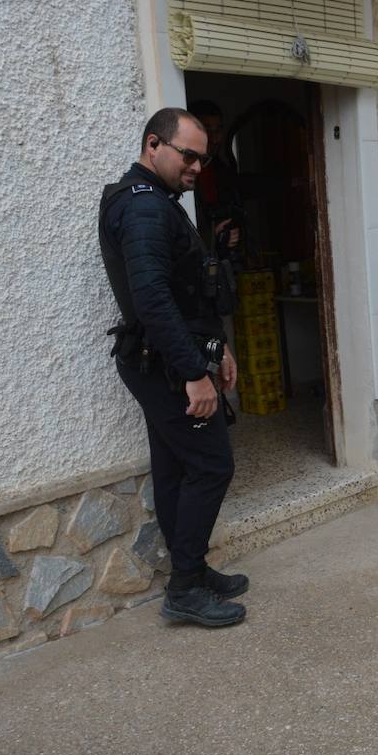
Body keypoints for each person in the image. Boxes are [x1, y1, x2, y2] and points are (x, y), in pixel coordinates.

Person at [98, 107, 248, 627]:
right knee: (211, 465)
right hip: (164, 364)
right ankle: (184, 588)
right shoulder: (142, 208)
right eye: (188, 156)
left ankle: (192, 569)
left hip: (166, 357)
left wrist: (217, 348)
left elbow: (190, 294)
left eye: (202, 159)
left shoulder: (158, 201)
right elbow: (154, 300)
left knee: (175, 466)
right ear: (153, 145)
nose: (196, 168)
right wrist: (193, 373)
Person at [187, 99, 243, 257]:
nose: (214, 139)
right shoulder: (182, 173)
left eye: (217, 131)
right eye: (207, 130)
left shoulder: (222, 171)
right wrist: (212, 236)